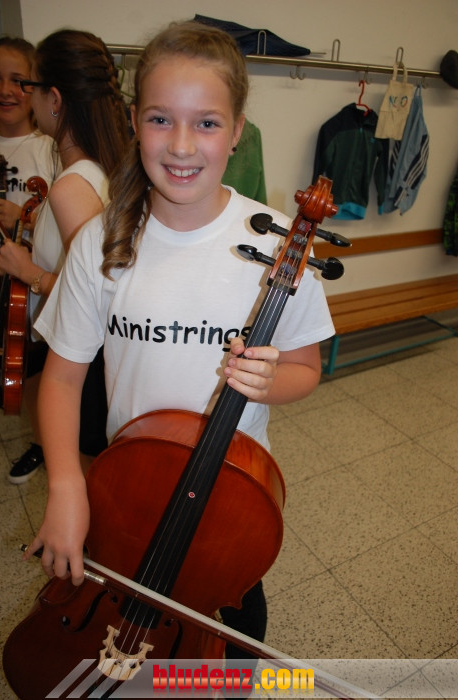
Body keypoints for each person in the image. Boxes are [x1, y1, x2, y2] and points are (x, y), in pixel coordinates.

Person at [30, 21, 335, 659]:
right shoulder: (101, 241)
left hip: (228, 498)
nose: (182, 145)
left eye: (207, 123)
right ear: (134, 121)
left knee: (228, 644)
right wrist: (65, 485)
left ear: (237, 130)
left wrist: (269, 381)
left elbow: (306, 369)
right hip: (126, 490)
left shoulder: (280, 243)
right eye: (161, 119)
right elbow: (61, 376)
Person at [0, 29, 129, 484]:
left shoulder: (71, 186)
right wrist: (37, 226)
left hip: (86, 362)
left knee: (92, 479)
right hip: (98, 359)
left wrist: (28, 271)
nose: (23, 97)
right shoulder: (103, 167)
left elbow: (97, 298)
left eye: (28, 86)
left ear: (53, 99)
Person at [0, 36, 56, 235]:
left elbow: (68, 229)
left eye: (17, 81)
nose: (5, 91)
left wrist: (24, 218)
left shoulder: (52, 149)